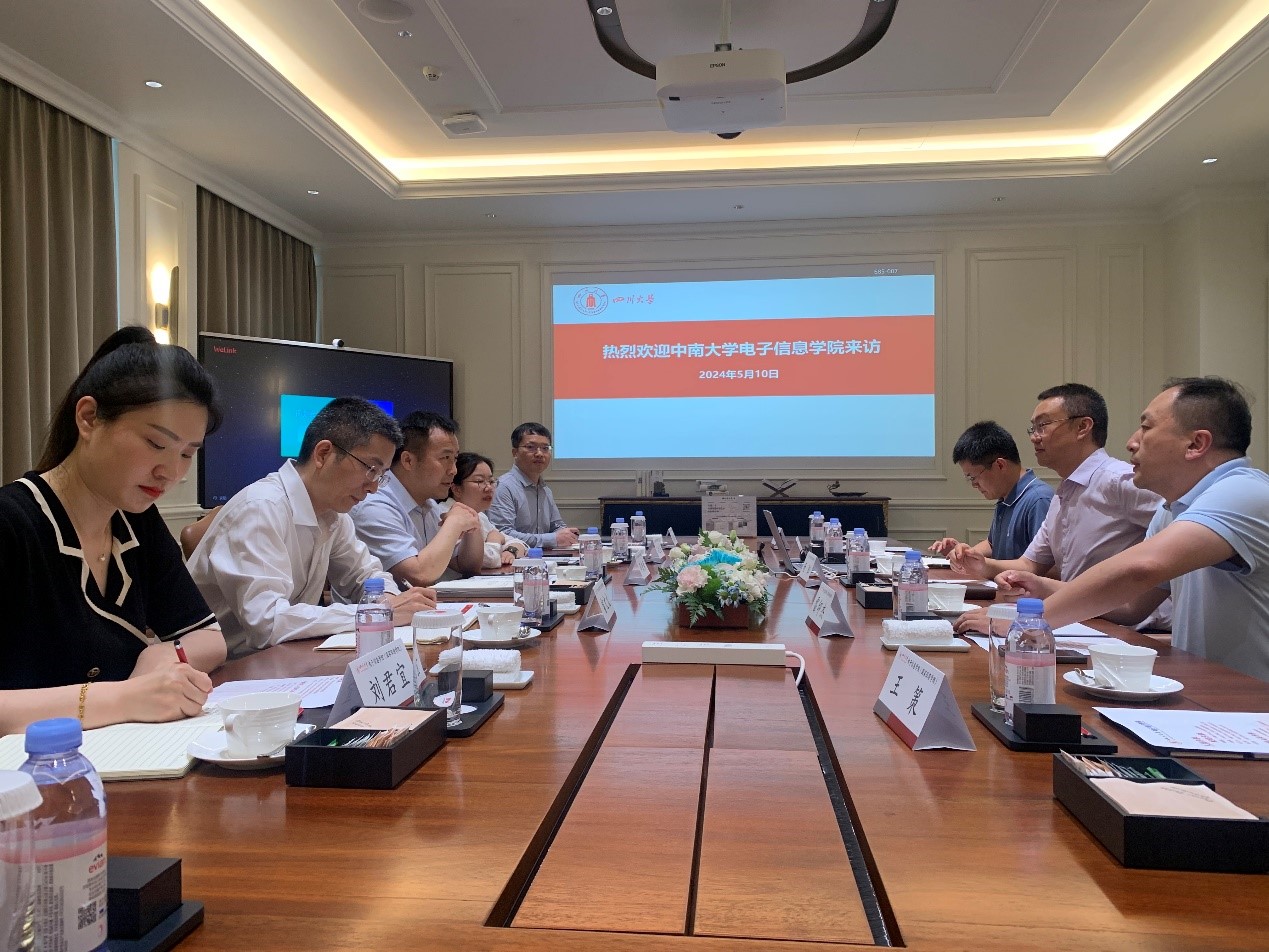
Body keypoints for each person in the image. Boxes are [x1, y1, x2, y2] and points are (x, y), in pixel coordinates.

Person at [0, 327, 227, 735]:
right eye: (156, 444)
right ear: (88, 418)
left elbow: (209, 639)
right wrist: (124, 697)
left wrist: (162, 656)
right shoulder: (13, 523)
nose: (171, 472)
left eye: (186, 453)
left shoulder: (136, 521)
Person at [998, 378, 1269, 682]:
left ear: (1196, 444)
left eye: (1146, 428)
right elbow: (1130, 607)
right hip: (1203, 690)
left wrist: (1026, 624)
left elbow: (1141, 568)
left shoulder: (1243, 491)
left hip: (1253, 701)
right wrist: (1044, 587)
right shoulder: (1172, 510)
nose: (1132, 442)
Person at [188, 397, 436, 658]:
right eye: (370, 469)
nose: (373, 487)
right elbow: (267, 623)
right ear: (323, 454)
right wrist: (376, 613)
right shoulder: (261, 508)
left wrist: (387, 599)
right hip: (225, 667)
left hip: (283, 658)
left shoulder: (334, 514)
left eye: (381, 476)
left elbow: (366, 575)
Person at [950, 383, 1166, 631]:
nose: (1034, 436)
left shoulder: (1119, 480)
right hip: (1079, 620)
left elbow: (1176, 525)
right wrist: (983, 566)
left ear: (1083, 427)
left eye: (1043, 426)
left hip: (1131, 631)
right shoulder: (1064, 492)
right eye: (1033, 428)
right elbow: (1030, 565)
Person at [350, 411, 484, 586]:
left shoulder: (428, 504)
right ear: (408, 461)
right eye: (445, 458)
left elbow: (468, 566)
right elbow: (417, 575)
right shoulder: (374, 504)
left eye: (455, 459)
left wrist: (471, 520)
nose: (453, 470)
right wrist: (455, 523)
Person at [929, 421, 1054, 561]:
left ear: (1000, 465)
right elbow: (992, 545)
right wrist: (963, 553)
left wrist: (986, 566)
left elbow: (1049, 566)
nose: (974, 484)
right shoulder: (1005, 497)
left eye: (973, 477)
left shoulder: (1039, 500)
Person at [487, 422, 578, 549]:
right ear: (515, 452)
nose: (539, 454)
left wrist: (568, 534)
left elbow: (556, 525)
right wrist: (552, 539)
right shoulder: (503, 487)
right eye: (531, 447)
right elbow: (502, 534)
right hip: (513, 558)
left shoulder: (545, 489)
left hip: (543, 557)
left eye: (545, 448)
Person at [441, 452, 528, 568]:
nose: (489, 488)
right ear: (456, 489)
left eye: (491, 481)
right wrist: (495, 541)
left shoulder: (479, 515)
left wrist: (510, 551)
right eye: (479, 481)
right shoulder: (445, 514)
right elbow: (484, 561)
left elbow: (522, 545)